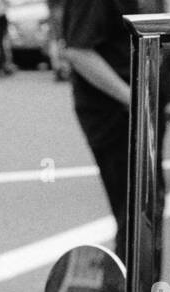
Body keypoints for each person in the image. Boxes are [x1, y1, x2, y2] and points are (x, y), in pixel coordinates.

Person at [62, 0, 138, 258]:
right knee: (135, 219)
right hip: (116, 113)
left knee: (142, 216)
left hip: (135, 106)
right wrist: (132, 98)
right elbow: (78, 51)